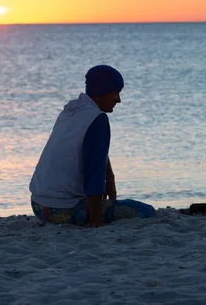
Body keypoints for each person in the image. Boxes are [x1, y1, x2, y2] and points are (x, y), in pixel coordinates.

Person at [29, 65, 155, 227]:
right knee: (145, 210)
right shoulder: (97, 119)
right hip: (62, 210)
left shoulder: (70, 111)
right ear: (103, 91)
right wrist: (96, 221)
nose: (118, 100)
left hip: (38, 207)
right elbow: (93, 173)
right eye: (116, 93)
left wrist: (110, 178)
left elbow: (92, 151)